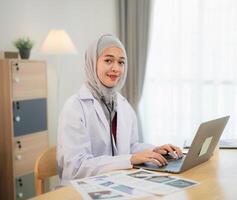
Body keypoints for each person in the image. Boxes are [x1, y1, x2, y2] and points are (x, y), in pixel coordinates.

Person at [57, 34, 182, 185]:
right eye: (108, 60)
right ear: (92, 62)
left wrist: (155, 150)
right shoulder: (75, 107)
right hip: (81, 189)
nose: (116, 68)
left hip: (115, 184)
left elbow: (130, 146)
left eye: (121, 62)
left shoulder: (122, 104)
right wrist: (129, 159)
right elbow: (76, 167)